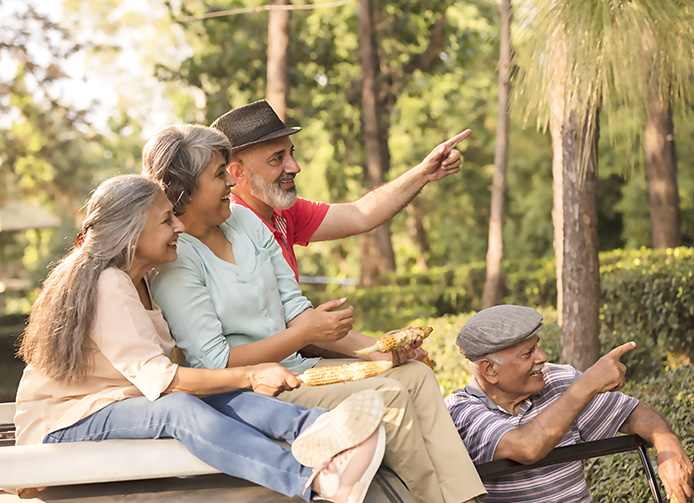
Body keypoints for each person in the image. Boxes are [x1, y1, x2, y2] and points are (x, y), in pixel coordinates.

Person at [142, 124, 487, 503]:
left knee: (416, 375)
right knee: (391, 396)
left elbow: (295, 308)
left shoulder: (245, 221)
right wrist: (307, 334)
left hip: (300, 370)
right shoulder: (176, 259)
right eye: (218, 174)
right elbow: (216, 363)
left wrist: (379, 349)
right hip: (254, 390)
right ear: (185, 189)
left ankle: (467, 497)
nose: (228, 183)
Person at [14, 174, 388, 503]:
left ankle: (319, 429)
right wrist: (253, 373)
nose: (178, 226)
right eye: (165, 220)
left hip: (113, 403)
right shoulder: (107, 284)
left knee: (218, 393)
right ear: (130, 233)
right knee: (179, 408)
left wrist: (242, 377)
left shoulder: (140, 277)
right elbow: (167, 382)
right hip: (62, 423)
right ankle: (315, 478)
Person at [445, 304, 694, 503]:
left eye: (537, 346)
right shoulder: (462, 409)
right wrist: (585, 385)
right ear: (489, 369)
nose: (542, 358)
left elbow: (631, 415)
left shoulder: (557, 379)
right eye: (528, 353)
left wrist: (667, 445)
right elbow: (526, 447)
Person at [210, 99, 472, 281]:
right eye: (277, 158)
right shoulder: (229, 229)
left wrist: (423, 173)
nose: (295, 167)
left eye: (291, 153)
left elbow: (360, 214)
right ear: (237, 173)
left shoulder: (281, 212)